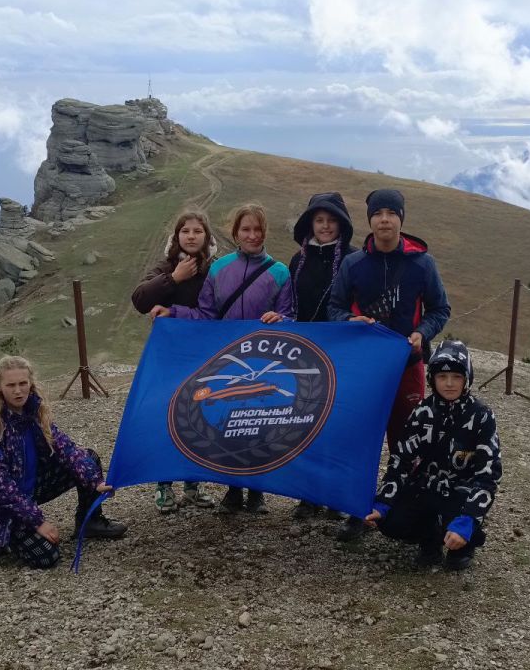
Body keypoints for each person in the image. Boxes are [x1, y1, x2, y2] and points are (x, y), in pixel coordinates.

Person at [151, 203, 294, 514]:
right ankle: (232, 490)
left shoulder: (281, 271)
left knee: (260, 425)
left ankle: (257, 493)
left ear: (265, 232)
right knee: (230, 425)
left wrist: (280, 318)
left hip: (263, 362)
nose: (252, 235)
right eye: (246, 229)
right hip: (229, 361)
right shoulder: (219, 269)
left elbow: (290, 316)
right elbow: (206, 314)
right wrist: (172, 312)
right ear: (235, 233)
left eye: (257, 229)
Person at [329, 187, 451, 540]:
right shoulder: (353, 264)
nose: (385, 219)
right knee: (362, 440)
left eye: (391, 213)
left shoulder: (422, 264)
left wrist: (422, 334)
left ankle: (404, 509)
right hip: (363, 370)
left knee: (407, 440)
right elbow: (334, 308)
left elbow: (440, 309)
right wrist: (348, 322)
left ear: (401, 219)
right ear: (369, 220)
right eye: (378, 213)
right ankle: (357, 510)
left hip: (407, 367)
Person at [0, 356, 127, 569]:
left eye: (23, 383)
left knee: (89, 459)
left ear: (30, 383)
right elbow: (1, 490)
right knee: (47, 557)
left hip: (29, 490)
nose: (18, 390)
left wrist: (94, 481)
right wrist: (38, 522)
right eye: (11, 385)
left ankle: (91, 522)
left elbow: (66, 448)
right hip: (2, 509)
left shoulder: (34, 411)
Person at [363, 340, 501, 569]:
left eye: (456, 376)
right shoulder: (422, 412)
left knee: (458, 520)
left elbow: (489, 475)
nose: (449, 384)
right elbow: (401, 461)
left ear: (467, 378)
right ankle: (430, 540)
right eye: (441, 376)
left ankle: (464, 542)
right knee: (391, 523)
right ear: (432, 379)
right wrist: (384, 501)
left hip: (461, 491)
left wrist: (468, 519)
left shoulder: (482, 416)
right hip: (427, 487)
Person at [132, 209, 218, 513]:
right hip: (168, 358)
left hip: (203, 358)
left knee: (198, 420)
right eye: (186, 231)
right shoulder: (165, 266)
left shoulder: (215, 270)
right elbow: (140, 299)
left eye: (197, 231)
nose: (192, 236)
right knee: (167, 419)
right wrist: (173, 278)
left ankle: (193, 487)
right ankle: (164, 487)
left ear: (207, 236)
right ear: (177, 236)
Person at [287, 192, 357, 521]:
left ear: (341, 224)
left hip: (341, 356)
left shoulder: (354, 260)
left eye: (331, 220)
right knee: (304, 424)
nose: (325, 226)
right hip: (303, 358)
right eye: (319, 220)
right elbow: (290, 306)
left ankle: (336, 497)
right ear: (309, 224)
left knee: (338, 425)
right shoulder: (296, 261)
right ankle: (308, 495)